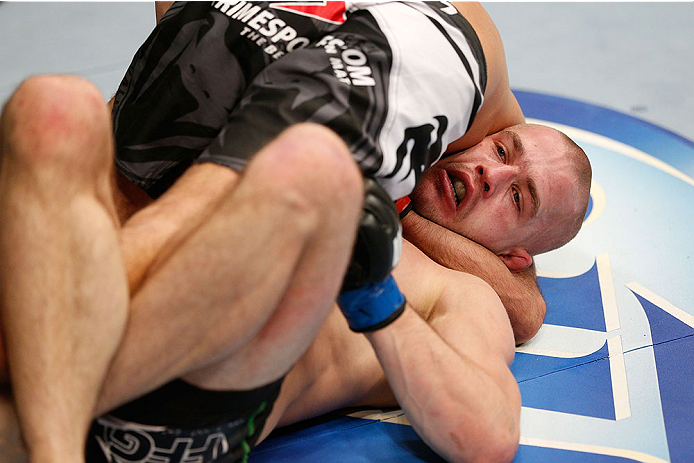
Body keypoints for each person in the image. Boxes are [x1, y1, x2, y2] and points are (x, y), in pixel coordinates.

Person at [0, 1, 591, 462]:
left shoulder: (454, 291)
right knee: (54, 106)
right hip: (73, 318)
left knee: (309, 169)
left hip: (186, 411)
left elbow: (488, 435)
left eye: (518, 197)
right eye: (501, 148)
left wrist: (378, 302)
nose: (491, 172)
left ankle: (48, 423)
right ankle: (47, 427)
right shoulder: (360, 125)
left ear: (517, 256)